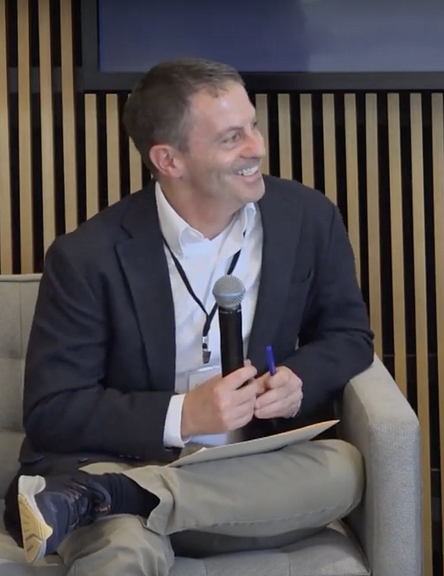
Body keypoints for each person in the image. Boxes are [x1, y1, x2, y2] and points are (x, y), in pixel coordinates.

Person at [1, 58, 375, 574]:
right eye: (230, 138)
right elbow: (54, 409)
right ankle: (122, 495)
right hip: (121, 461)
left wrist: (298, 379)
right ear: (169, 160)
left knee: (344, 470)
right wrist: (184, 416)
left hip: (243, 477)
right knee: (126, 549)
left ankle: (117, 496)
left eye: (253, 126)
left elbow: (349, 336)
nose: (257, 148)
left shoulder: (307, 218)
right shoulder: (88, 256)